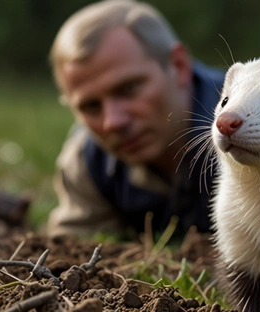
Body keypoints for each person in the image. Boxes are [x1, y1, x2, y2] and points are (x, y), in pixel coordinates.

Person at [46, 0, 225, 239]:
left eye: (128, 89)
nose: (113, 122)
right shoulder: (89, 163)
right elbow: (72, 248)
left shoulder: (258, 122)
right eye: (90, 106)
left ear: (179, 66)